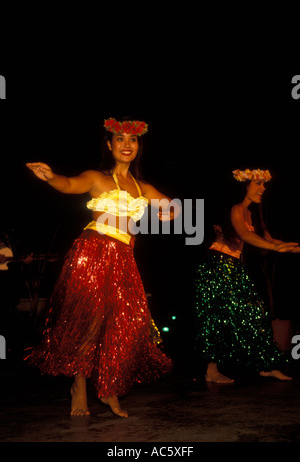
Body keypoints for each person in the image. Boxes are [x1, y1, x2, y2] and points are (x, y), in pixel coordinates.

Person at [25, 117, 178, 417]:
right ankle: (79, 386)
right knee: (89, 323)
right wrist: (51, 176)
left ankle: (108, 388)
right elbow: (69, 184)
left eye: (132, 140)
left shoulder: (142, 186)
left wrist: (168, 214)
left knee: (126, 326)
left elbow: (173, 208)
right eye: (119, 139)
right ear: (109, 145)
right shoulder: (97, 178)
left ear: (138, 146)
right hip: (93, 252)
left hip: (124, 259)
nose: (126, 144)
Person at [195, 168, 300, 384]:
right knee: (218, 319)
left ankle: (265, 365)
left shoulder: (251, 214)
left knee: (255, 313)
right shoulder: (235, 209)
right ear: (244, 186)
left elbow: (270, 241)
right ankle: (212, 371)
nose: (263, 189)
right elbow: (245, 235)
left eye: (264, 184)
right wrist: (276, 248)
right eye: (258, 184)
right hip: (217, 267)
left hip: (232, 267)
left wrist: (291, 247)